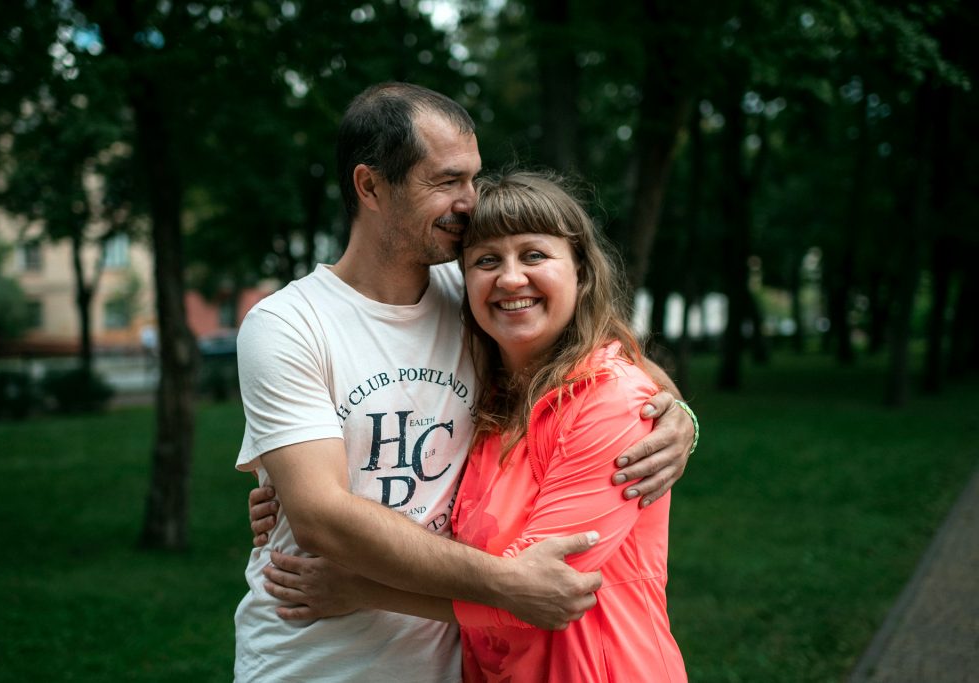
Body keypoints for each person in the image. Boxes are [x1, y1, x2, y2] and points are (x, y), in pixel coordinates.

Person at [234, 82, 696, 682]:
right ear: (371, 186)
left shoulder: (475, 300)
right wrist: (510, 584)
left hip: (456, 661)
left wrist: (679, 418)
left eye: (473, 179)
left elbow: (605, 355)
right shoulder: (288, 324)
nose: (470, 202)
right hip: (318, 656)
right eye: (446, 181)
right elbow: (321, 516)